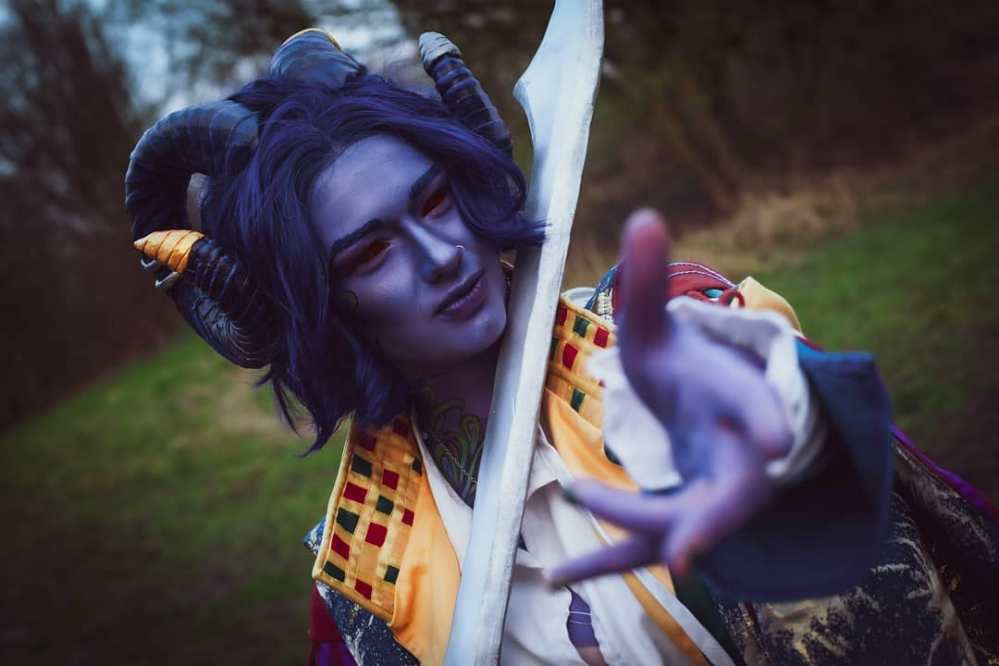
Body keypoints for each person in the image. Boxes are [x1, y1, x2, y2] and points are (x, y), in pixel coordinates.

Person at [126, 29, 997, 666]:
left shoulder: (687, 346)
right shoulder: (365, 577)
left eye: (433, 202)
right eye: (370, 253)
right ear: (320, 312)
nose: (442, 256)